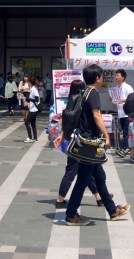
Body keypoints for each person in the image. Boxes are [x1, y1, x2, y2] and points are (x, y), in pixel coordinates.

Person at [64, 64, 131, 226]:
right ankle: (71, 214)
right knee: (82, 180)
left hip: (86, 141)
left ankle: (112, 210)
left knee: (99, 177)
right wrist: (107, 136)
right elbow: (97, 116)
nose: (102, 78)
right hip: (90, 143)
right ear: (97, 78)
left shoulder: (84, 92)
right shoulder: (93, 93)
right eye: (101, 76)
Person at [53, 79, 103, 209]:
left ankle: (99, 197)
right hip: (79, 141)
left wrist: (63, 135)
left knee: (86, 170)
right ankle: (60, 200)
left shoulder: (71, 101)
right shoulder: (80, 102)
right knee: (73, 171)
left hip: (72, 140)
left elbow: (67, 122)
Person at [112, 69, 134, 157]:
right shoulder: (116, 88)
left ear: (123, 77)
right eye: (115, 75)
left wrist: (124, 100)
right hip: (121, 113)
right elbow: (116, 101)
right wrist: (112, 99)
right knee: (124, 132)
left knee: (126, 131)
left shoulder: (128, 87)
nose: (116, 77)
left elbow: (132, 99)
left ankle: (126, 148)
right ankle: (125, 148)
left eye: (118, 75)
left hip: (127, 114)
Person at [23, 76, 40, 142]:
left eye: (28, 82)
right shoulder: (33, 88)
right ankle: (35, 138)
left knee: (27, 122)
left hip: (34, 109)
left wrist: (28, 99)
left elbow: (37, 99)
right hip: (33, 108)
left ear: (30, 82)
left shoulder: (34, 89)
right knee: (33, 123)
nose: (27, 83)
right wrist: (27, 99)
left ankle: (30, 138)